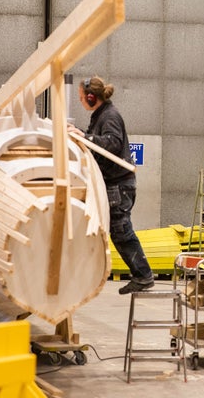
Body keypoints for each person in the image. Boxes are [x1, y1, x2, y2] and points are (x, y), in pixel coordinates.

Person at [68, 76, 155, 294]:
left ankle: (143, 276)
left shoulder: (109, 116)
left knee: (121, 230)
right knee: (113, 230)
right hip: (114, 183)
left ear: (91, 97)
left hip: (119, 184)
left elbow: (113, 143)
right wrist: (80, 133)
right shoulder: (101, 115)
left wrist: (86, 137)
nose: (80, 102)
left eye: (81, 98)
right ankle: (138, 275)